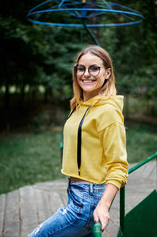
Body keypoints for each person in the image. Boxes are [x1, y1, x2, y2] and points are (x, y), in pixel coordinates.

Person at [29, 45, 129, 237]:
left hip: (88, 200)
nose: (86, 74)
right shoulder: (78, 105)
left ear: (107, 73)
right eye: (81, 68)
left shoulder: (108, 112)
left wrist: (104, 205)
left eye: (94, 68)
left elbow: (118, 165)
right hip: (75, 193)